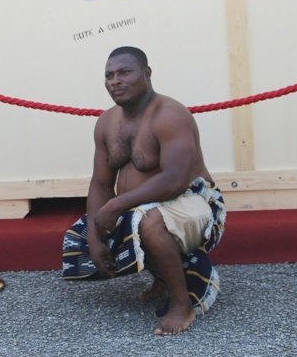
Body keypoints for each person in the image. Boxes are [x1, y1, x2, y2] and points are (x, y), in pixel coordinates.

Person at [62, 46, 227, 336]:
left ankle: (181, 303)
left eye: (125, 72)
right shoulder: (106, 123)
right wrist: (93, 233)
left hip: (194, 202)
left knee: (148, 222)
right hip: (143, 206)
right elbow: (101, 183)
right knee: (80, 234)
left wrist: (115, 206)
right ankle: (163, 275)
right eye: (109, 75)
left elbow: (174, 179)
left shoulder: (170, 115)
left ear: (147, 74)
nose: (115, 81)